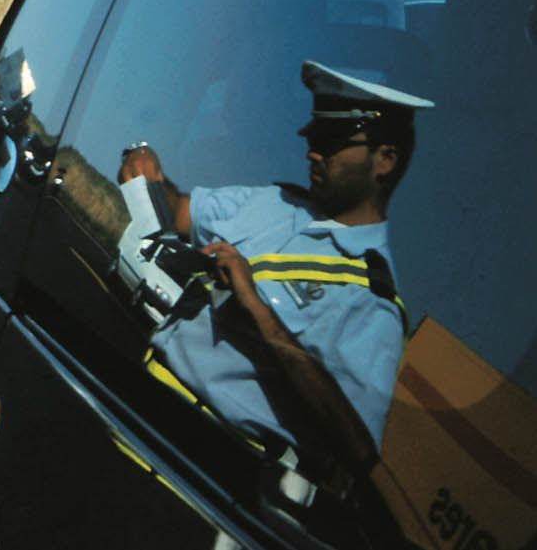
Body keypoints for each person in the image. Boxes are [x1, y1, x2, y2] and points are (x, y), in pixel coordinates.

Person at [117, 60, 432, 481]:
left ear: (385, 160)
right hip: (130, 401)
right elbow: (178, 213)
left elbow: (356, 446)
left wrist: (260, 310)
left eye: (332, 141)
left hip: (204, 466)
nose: (313, 151)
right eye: (314, 137)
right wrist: (146, 167)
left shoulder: (372, 300)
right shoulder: (275, 203)